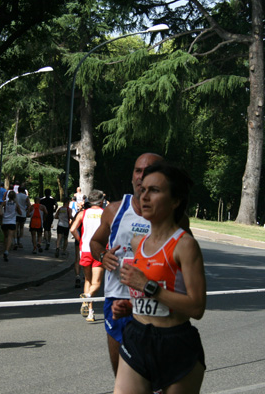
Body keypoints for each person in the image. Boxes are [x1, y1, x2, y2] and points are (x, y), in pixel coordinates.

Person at [90, 153, 191, 375]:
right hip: (119, 300)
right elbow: (95, 242)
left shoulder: (177, 217)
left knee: (154, 376)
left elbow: (187, 263)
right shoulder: (115, 210)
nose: (141, 176)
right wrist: (103, 255)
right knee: (122, 376)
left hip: (156, 302)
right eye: (137, 170)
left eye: (148, 171)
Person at [113, 161, 206, 393]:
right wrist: (133, 305)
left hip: (176, 344)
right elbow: (147, 294)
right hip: (137, 337)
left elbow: (197, 308)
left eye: (154, 191)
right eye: (143, 190)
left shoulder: (185, 245)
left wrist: (147, 287)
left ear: (175, 201)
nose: (144, 197)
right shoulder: (137, 243)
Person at [71, 190, 104, 322]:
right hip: (99, 250)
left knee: (88, 281)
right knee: (96, 283)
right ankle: (88, 296)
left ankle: (90, 312)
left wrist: (80, 240)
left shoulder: (82, 213)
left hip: (85, 249)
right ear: (101, 201)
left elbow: (73, 229)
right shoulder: (105, 214)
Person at [1, 190, 21, 262]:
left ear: (8, 196)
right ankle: (6, 250)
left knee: (5, 237)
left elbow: (0, 209)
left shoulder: (5, 202)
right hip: (12, 222)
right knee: (10, 237)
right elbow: (20, 212)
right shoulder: (16, 204)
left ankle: (4, 249)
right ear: (15, 197)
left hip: (5, 221)